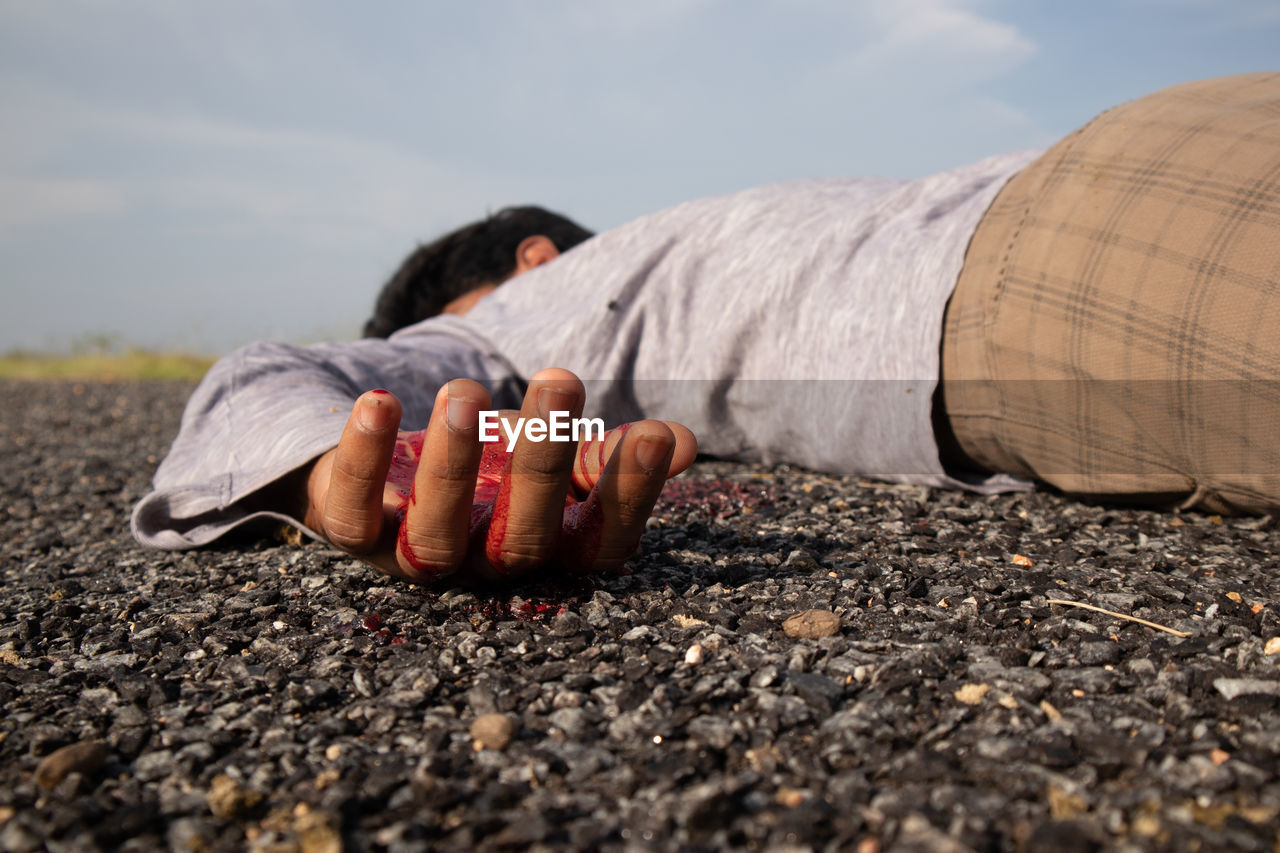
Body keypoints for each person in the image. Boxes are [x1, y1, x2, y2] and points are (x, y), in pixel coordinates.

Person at [132, 73, 1280, 585]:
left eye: (448, 330)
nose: (464, 377)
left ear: (528, 263)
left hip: (1049, 270)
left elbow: (267, 372)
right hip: (1122, 154)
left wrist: (353, 460)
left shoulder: (539, 303)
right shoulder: (740, 226)